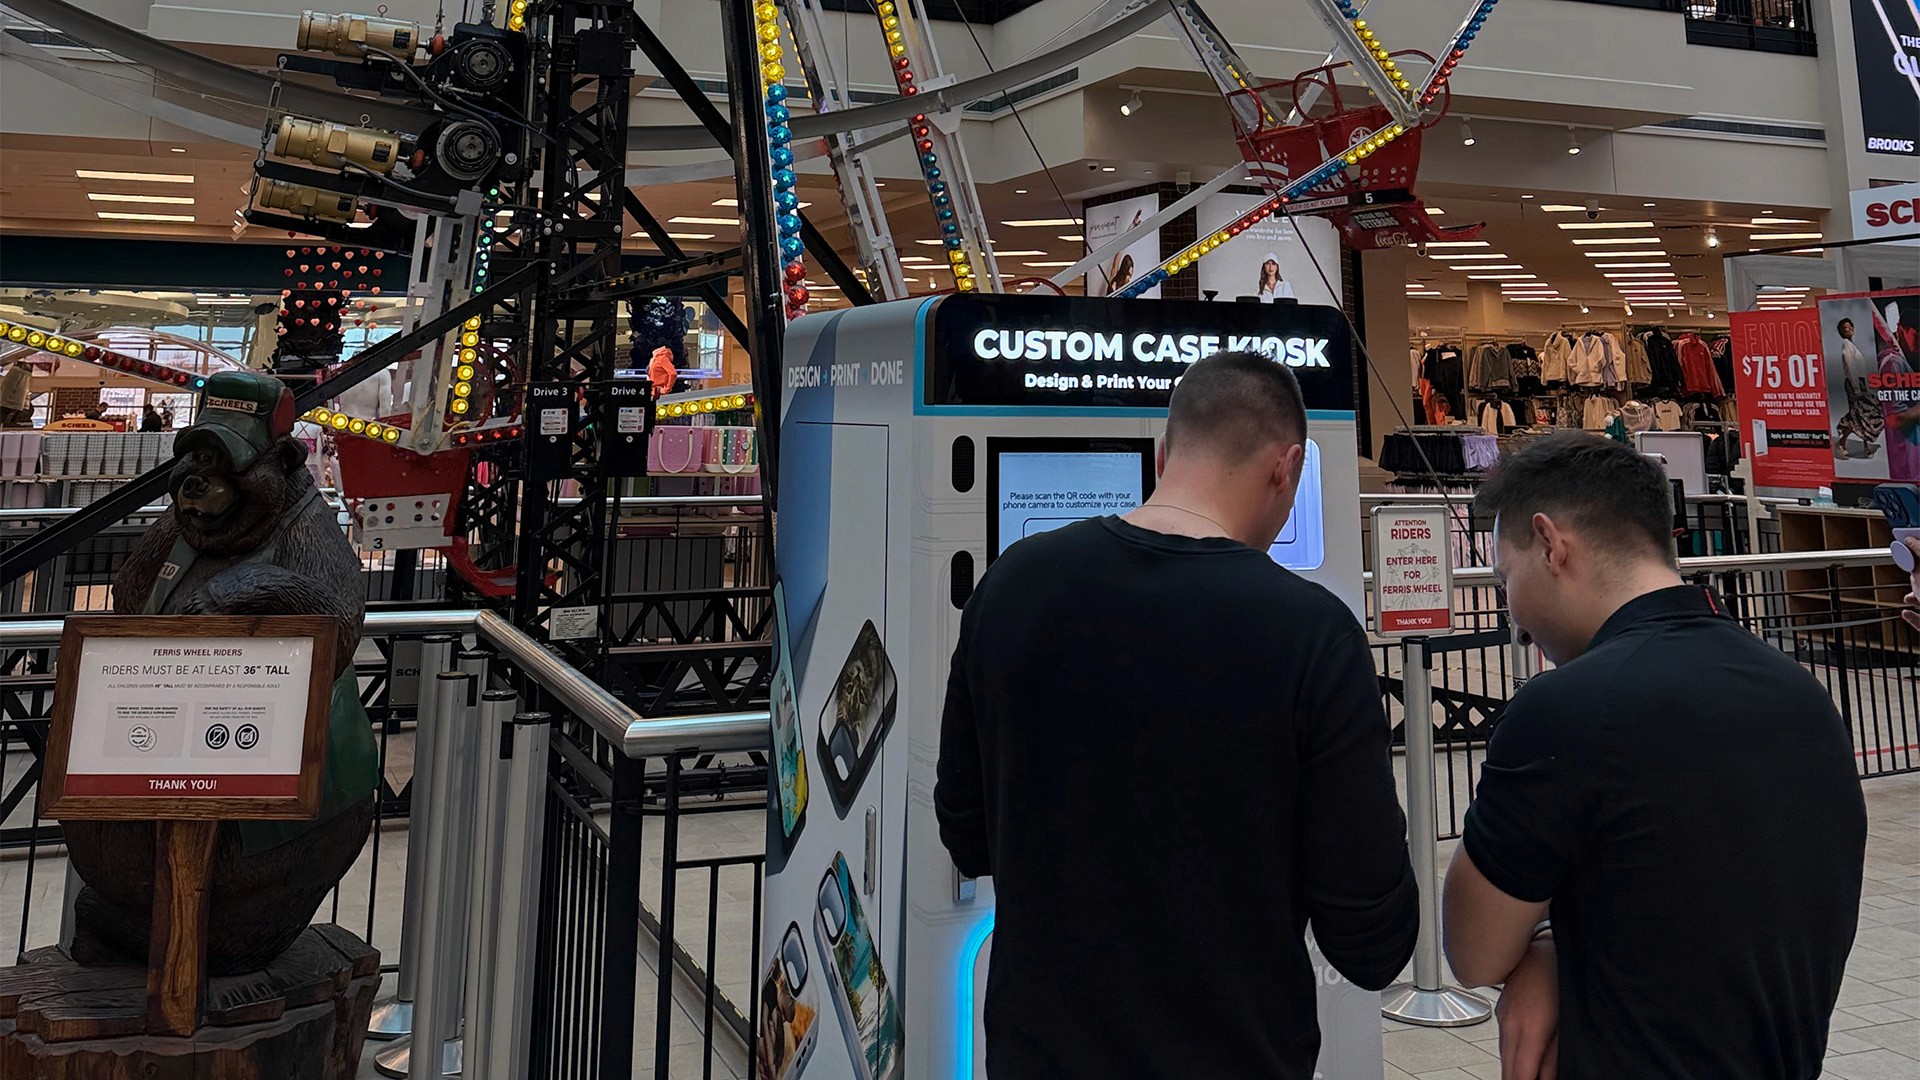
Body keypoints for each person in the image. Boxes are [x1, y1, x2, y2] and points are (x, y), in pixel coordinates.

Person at [936, 350, 1418, 1079]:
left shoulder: (1011, 586)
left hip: (1037, 1055)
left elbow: (966, 834)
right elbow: (1372, 940)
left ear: (1165, 453)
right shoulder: (1313, 636)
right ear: (1287, 468)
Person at [1443, 432, 1865, 1080]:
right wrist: (1560, 944)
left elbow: (1474, 951)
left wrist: (1543, 947)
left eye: (1506, 577)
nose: (1516, 621)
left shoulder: (1565, 710)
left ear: (1550, 543)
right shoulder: (1805, 698)